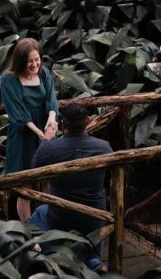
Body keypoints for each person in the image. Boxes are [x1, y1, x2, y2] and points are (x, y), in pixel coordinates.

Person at [28, 103, 113, 273]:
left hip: (61, 217)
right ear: (88, 121)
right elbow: (108, 179)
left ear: (63, 124)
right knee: (91, 225)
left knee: (39, 215)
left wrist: (46, 139)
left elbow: (33, 171)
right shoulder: (104, 147)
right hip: (95, 216)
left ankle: (44, 255)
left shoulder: (50, 148)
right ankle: (93, 261)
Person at [1, 37, 59, 223]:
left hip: (46, 131)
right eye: (29, 61)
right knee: (25, 187)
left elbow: (51, 100)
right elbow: (17, 111)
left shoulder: (44, 74)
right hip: (24, 135)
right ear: (20, 61)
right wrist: (38, 132)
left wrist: (51, 121)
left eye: (37, 59)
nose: (34, 64)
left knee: (49, 180)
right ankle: (27, 231)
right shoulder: (9, 79)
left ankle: (48, 224)